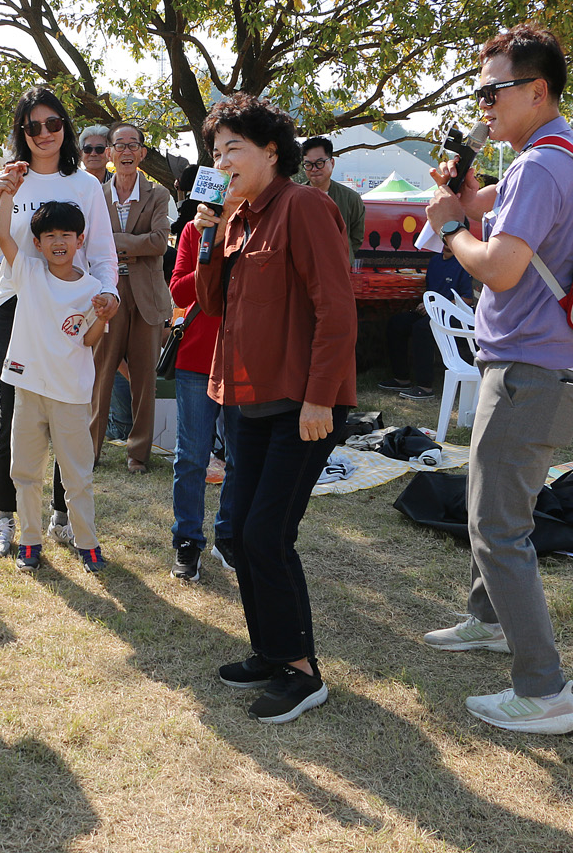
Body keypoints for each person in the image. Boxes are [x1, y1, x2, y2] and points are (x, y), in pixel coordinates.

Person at [420, 23, 573, 735]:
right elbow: (492, 207)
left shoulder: (540, 166)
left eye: (494, 90)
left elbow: (498, 266)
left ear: (537, 90)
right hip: (546, 365)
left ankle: (544, 691)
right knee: (492, 509)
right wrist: (465, 199)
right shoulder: (566, 156)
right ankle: (486, 620)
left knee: (498, 527)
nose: (484, 103)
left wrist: (448, 228)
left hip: (530, 368)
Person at [192, 93, 356, 724]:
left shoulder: (304, 206)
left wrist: (320, 395)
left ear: (270, 151)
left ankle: (301, 671)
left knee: (267, 533)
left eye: (234, 147)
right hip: (247, 402)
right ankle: (268, 652)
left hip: (301, 405)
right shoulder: (235, 220)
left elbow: (336, 309)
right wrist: (207, 236)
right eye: (215, 150)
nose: (222, 159)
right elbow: (210, 304)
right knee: (235, 532)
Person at [0, 86, 120, 557]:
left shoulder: (85, 184)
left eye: (53, 124)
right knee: (14, 414)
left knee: (69, 407)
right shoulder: (6, 180)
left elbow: (101, 253)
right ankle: (6, 516)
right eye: (32, 126)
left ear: (65, 128)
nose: (44, 134)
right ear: (21, 132)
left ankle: (62, 513)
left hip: (72, 308)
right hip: (17, 305)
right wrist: (0, 196)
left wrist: (107, 294)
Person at [0, 184, 109, 571]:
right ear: (38, 244)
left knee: (77, 475)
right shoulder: (28, 272)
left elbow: (89, 340)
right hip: (27, 388)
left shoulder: (94, 289)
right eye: (49, 236)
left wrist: (103, 317)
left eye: (66, 235)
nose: (59, 242)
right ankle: (29, 539)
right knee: (24, 471)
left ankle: (87, 542)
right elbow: (3, 236)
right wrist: (4, 196)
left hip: (71, 394)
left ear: (80, 240)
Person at [90, 121, 171, 472]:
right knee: (100, 374)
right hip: (107, 295)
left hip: (147, 297)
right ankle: (89, 450)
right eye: (118, 145)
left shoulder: (158, 194)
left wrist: (114, 244)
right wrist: (132, 247)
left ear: (142, 153)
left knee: (143, 378)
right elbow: (89, 244)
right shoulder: (95, 195)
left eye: (131, 145)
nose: (125, 151)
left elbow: (159, 242)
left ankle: (138, 454)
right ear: (109, 154)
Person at [168, 217, 240, 582]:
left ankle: (227, 536)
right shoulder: (197, 231)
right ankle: (188, 541)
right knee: (192, 456)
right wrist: (209, 253)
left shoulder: (264, 225)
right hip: (197, 358)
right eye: (221, 157)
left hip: (246, 359)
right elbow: (179, 292)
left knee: (241, 459)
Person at [378, 248, 475, 398]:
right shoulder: (435, 260)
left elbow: (468, 300)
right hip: (432, 310)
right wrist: (427, 304)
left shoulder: (465, 262)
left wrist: (438, 305)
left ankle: (425, 387)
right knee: (397, 323)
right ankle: (401, 378)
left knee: (422, 328)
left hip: (453, 314)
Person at [300, 136, 366, 260]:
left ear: (332, 162)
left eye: (319, 163)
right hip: (304, 269)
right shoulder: (295, 198)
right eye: (308, 164)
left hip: (339, 268)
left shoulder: (351, 198)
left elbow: (356, 239)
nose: (314, 169)